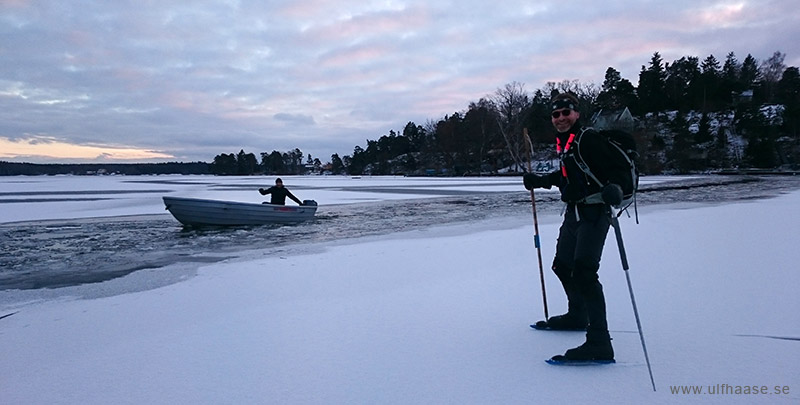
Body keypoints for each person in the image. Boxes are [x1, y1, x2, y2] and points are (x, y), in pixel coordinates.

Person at [523, 92, 627, 362]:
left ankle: (599, 342)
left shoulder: (589, 139)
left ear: (577, 114)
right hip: (574, 214)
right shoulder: (567, 144)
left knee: (584, 272)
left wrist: (616, 188)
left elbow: (617, 169)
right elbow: (568, 175)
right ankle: (577, 314)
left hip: (594, 213)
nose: (560, 118)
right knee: (562, 265)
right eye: (556, 115)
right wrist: (540, 180)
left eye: (566, 113)